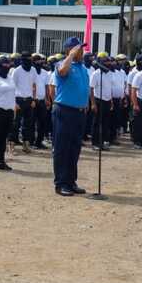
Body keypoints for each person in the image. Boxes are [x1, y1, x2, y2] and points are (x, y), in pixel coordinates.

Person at [51, 38, 88, 197]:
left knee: (74, 149)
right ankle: (61, 184)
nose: (82, 52)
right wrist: (71, 56)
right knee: (62, 148)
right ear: (70, 50)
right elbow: (62, 72)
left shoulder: (82, 67)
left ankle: (71, 181)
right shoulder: (62, 64)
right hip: (64, 111)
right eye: (79, 49)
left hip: (79, 113)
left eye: (81, 49)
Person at [10, 52, 37, 152]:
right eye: (28, 58)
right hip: (18, 100)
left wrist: (34, 99)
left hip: (29, 100)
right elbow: (11, 87)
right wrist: (14, 102)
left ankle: (26, 145)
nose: (30, 60)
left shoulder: (33, 70)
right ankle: (11, 145)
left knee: (28, 124)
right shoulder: (17, 71)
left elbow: (34, 85)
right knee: (15, 124)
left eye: (31, 58)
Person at [90, 54, 113, 151]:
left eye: (109, 62)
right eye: (106, 62)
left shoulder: (110, 73)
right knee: (96, 123)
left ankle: (102, 142)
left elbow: (109, 88)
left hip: (107, 101)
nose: (108, 64)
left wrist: (111, 101)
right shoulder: (96, 74)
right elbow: (91, 89)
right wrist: (93, 103)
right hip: (98, 101)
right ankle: (95, 143)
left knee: (105, 123)